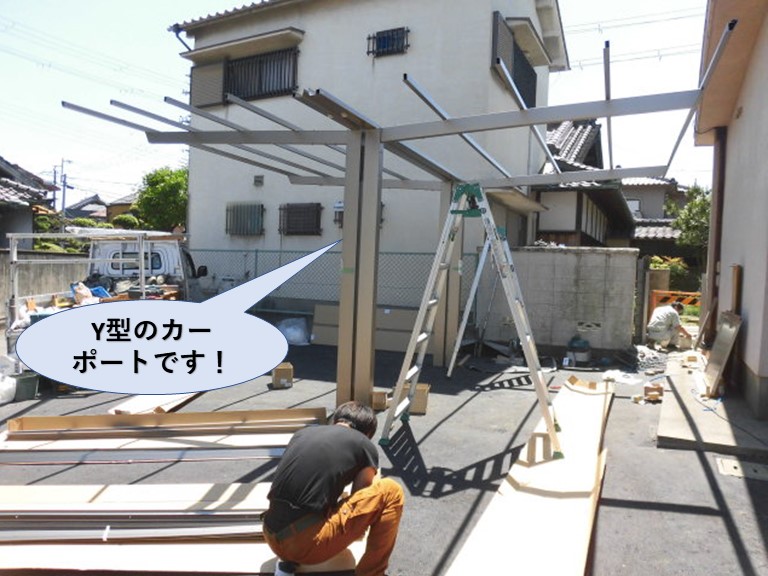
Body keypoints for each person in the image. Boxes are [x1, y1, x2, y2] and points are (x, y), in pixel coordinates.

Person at [263, 401, 404, 576]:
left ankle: (287, 566)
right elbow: (360, 497)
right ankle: (372, 573)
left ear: (336, 420)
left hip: (271, 536)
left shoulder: (302, 434)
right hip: (307, 546)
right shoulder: (364, 445)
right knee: (391, 490)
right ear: (367, 433)